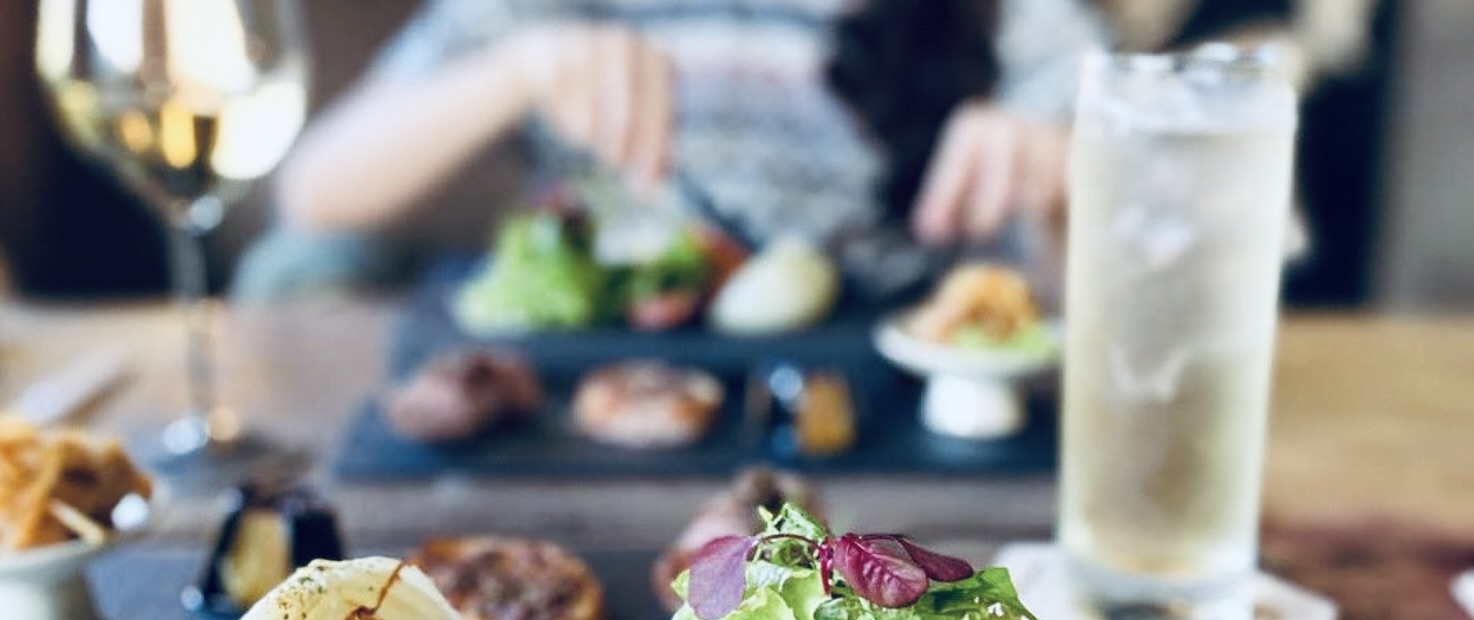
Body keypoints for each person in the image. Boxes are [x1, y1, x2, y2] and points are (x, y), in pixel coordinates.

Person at [233, 0, 1111, 302]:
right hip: (626, 356)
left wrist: (1060, 153)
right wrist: (519, 68)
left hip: (891, 359)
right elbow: (316, 187)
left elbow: (1138, 167)